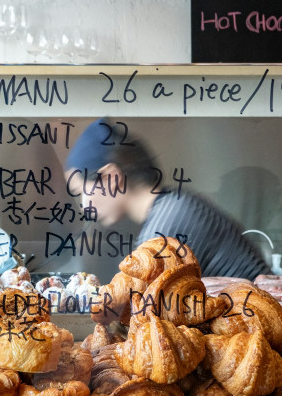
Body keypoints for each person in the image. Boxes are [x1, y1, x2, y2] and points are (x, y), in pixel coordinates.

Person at [64, 118, 270, 280]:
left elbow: (141, 310)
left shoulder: (169, 222)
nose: (84, 205)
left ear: (111, 177)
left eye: (83, 191)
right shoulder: (173, 205)